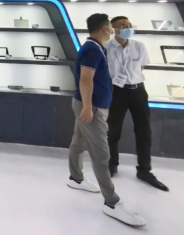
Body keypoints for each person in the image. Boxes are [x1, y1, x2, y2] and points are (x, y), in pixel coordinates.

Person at [68, 13, 145, 227]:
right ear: (104, 28)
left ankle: (75, 178)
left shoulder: (96, 47)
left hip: (91, 104)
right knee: (102, 153)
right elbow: (86, 79)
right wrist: (87, 107)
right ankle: (112, 202)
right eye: (111, 26)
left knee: (78, 142)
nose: (113, 30)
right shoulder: (92, 49)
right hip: (91, 106)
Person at [105, 16, 168, 191]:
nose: (127, 28)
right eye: (122, 25)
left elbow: (140, 68)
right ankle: (111, 165)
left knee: (144, 130)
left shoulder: (139, 46)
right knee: (113, 130)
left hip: (138, 91)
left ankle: (144, 169)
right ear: (113, 29)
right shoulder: (106, 47)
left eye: (128, 25)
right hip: (117, 92)